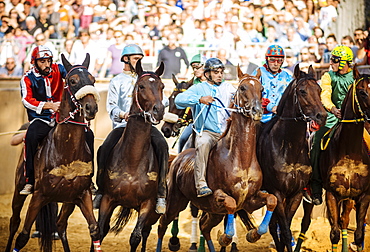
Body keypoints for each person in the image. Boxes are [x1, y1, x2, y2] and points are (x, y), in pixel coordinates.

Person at [93, 44, 169, 214]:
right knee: (104, 149)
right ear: (125, 59)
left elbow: (162, 100)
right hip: (123, 126)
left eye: (140, 59)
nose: (139, 61)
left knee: (162, 146)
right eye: (135, 58)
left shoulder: (148, 79)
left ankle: (161, 193)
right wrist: (122, 114)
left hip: (146, 127)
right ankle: (100, 190)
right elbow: (111, 107)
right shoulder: (117, 81)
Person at [175, 58, 236, 197]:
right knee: (202, 143)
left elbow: (240, 99)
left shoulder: (229, 87)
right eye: (216, 72)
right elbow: (179, 100)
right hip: (208, 132)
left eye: (221, 72)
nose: (220, 75)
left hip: (228, 133)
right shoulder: (198, 88)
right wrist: (199, 99)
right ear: (207, 74)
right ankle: (201, 184)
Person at [309, 45, 354, 205]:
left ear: (344, 62)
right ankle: (315, 186)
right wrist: (333, 108)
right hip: (332, 119)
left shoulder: (355, 77)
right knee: (316, 143)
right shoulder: (328, 76)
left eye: (334, 60)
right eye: (331, 60)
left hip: (353, 120)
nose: (331, 63)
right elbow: (325, 94)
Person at [19, 45, 67, 194]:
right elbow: (27, 100)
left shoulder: (58, 68)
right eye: (42, 61)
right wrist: (49, 106)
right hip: (41, 119)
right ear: (34, 62)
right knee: (31, 136)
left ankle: (87, 179)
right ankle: (30, 180)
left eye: (48, 61)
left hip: (62, 118)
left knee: (86, 133)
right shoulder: (27, 78)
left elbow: (72, 74)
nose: (47, 65)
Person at [252, 44, 293, 124]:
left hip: (281, 118)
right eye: (272, 60)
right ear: (267, 59)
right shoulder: (258, 72)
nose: (276, 64)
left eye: (279, 60)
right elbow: (252, 95)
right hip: (261, 117)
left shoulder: (286, 76)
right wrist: (270, 106)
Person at [177, 53, 207, 153]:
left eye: (197, 67)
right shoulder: (192, 85)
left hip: (214, 122)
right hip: (196, 121)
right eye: (193, 68)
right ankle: (178, 159)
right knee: (182, 139)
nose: (195, 70)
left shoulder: (215, 82)